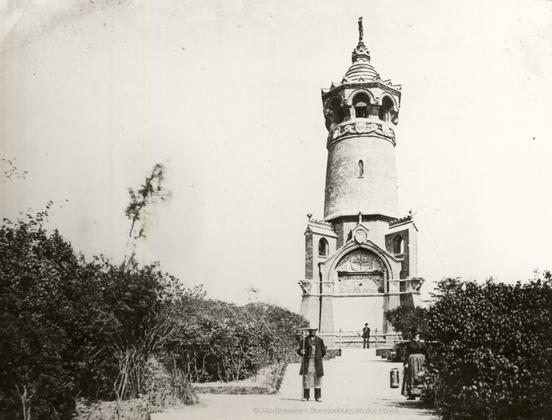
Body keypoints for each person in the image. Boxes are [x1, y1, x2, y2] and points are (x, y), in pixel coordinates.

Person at [297, 326, 326, 402]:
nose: (313, 332)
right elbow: (299, 350)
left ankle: (318, 397)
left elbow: (323, 351)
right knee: (306, 378)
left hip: (317, 362)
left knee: (318, 378)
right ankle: (306, 396)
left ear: (316, 331)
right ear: (309, 331)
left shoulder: (320, 340)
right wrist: (301, 351)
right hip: (308, 361)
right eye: (311, 330)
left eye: (314, 330)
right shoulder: (305, 340)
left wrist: (318, 356)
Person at [402, 330, 429, 400]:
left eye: (418, 334)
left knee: (421, 376)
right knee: (412, 376)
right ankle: (412, 394)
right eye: (415, 334)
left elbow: (426, 353)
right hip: (412, 362)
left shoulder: (422, 343)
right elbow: (407, 354)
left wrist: (428, 361)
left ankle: (422, 394)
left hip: (421, 361)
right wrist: (406, 363)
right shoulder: (410, 344)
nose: (417, 335)